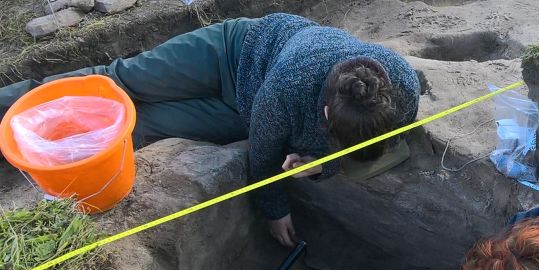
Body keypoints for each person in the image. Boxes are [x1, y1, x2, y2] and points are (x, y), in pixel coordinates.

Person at [0, 14, 420, 246]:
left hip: (241, 112)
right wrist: (275, 210)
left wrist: (320, 166)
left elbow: (368, 152)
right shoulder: (291, 84)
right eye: (331, 138)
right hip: (233, 50)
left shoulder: (401, 86)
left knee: (135, 128)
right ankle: (11, 107)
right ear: (326, 110)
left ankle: (50, 145)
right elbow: (263, 154)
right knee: (116, 83)